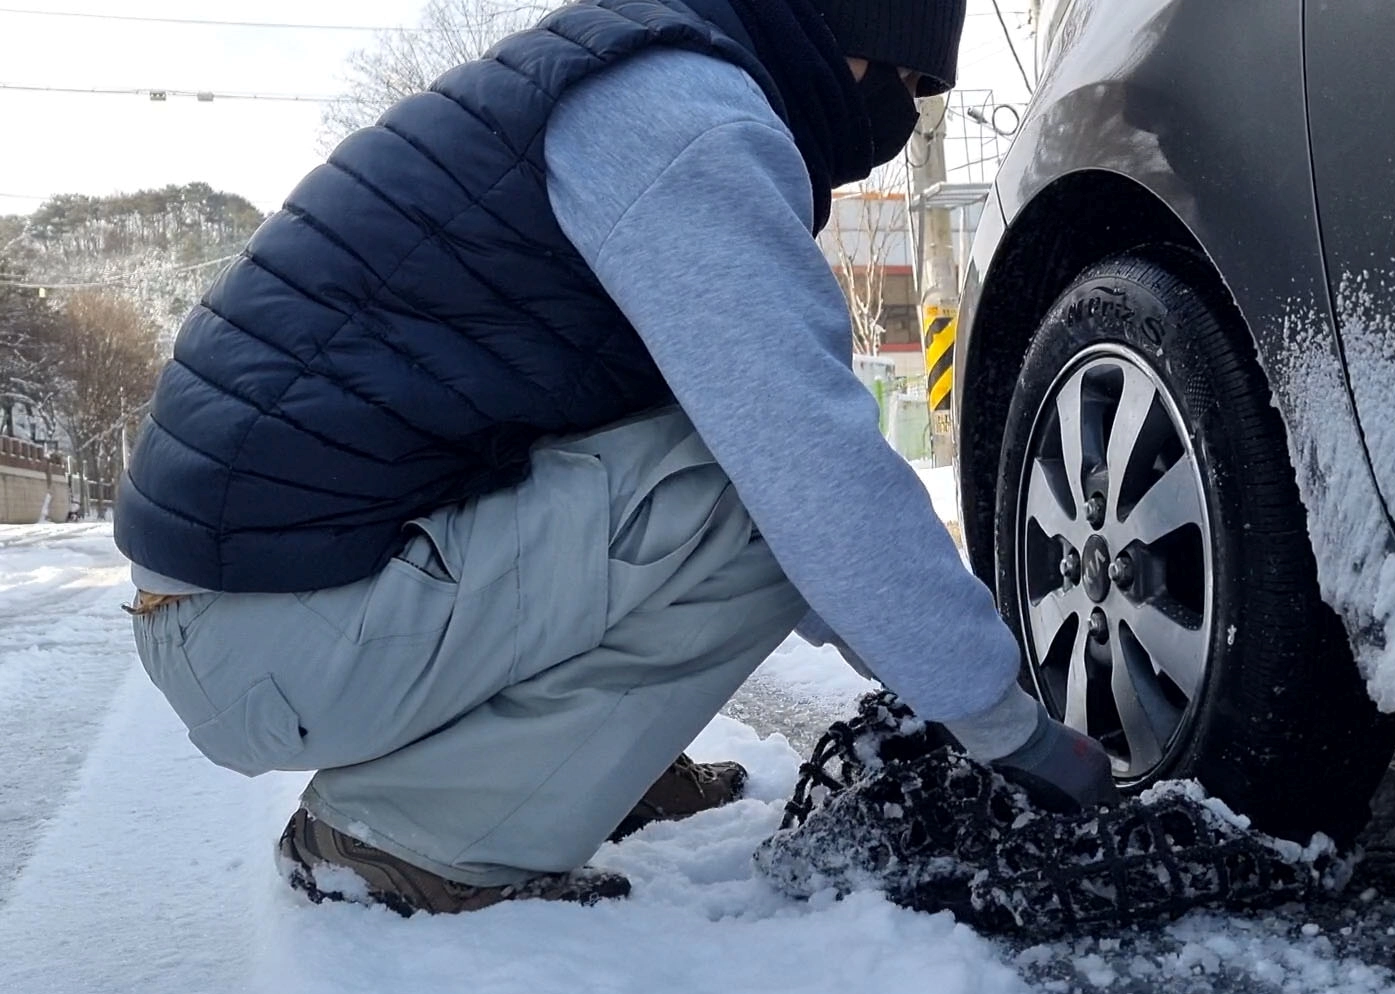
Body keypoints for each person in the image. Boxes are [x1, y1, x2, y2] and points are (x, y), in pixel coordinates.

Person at [116, 0, 1115, 917]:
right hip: (270, 639)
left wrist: (905, 649)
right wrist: (1002, 723)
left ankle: (576, 765)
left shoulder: (634, 76)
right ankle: (416, 835)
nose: (902, 113)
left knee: (729, 467)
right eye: (905, 80)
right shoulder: (687, 123)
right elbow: (813, 479)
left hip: (262, 612)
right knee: (754, 494)